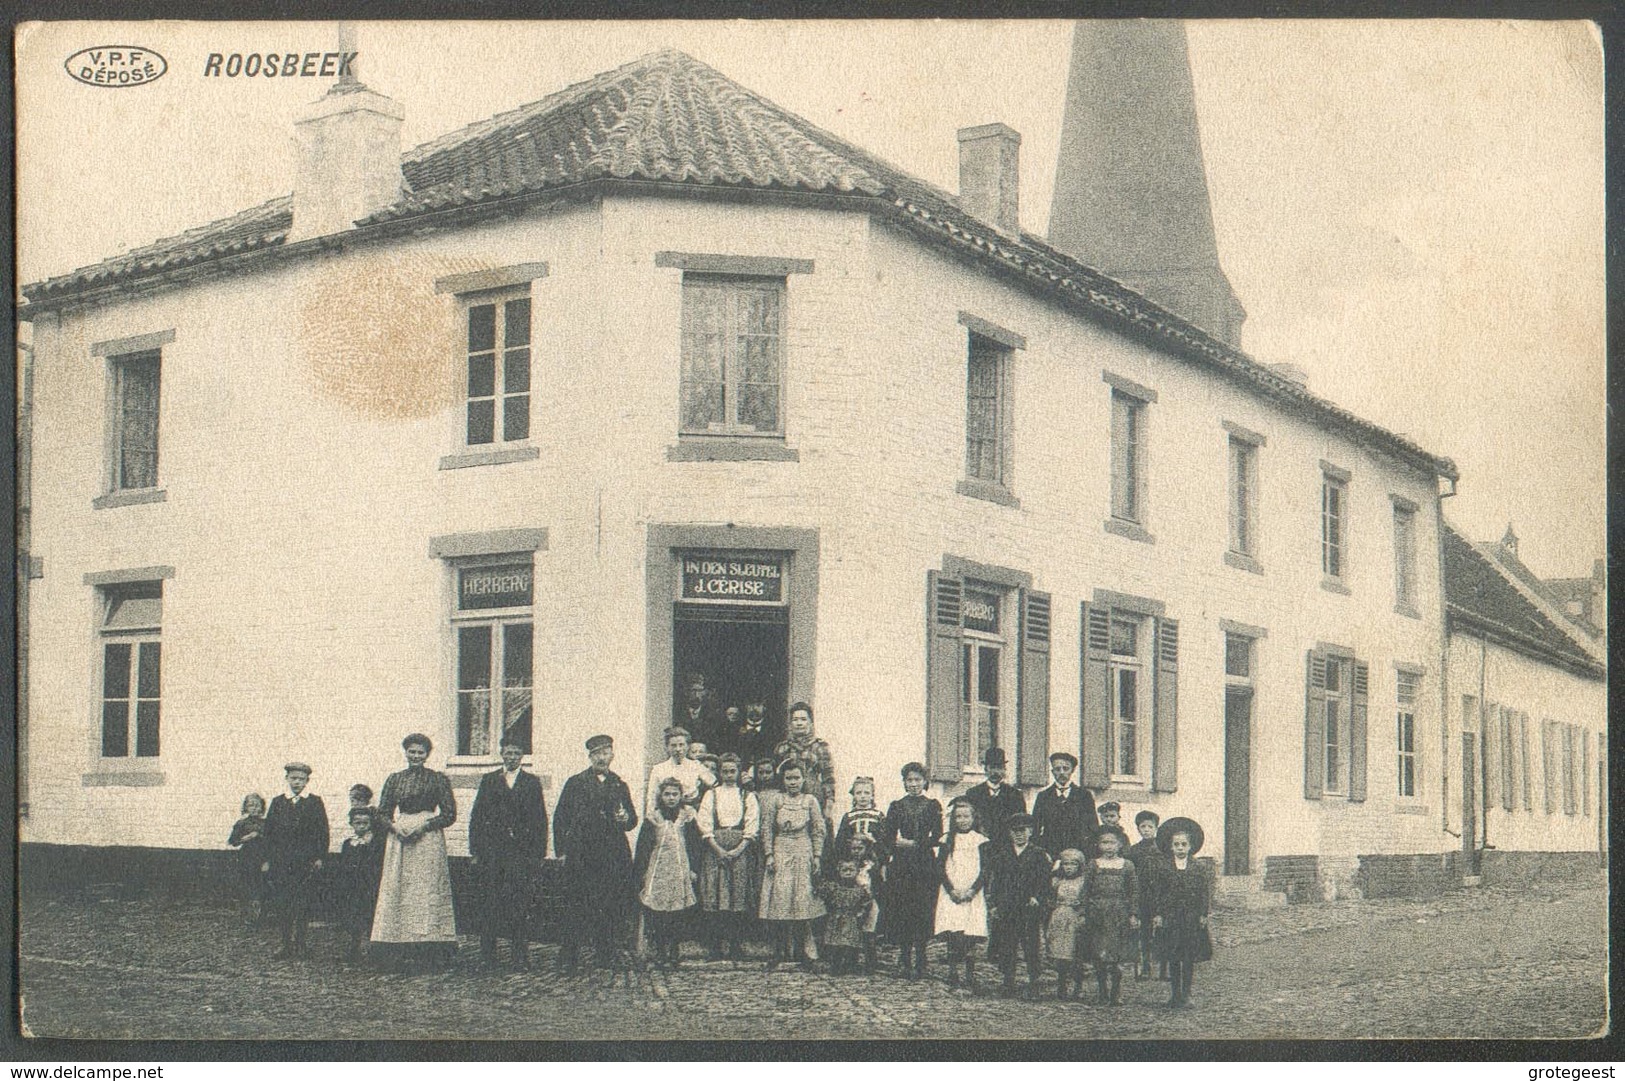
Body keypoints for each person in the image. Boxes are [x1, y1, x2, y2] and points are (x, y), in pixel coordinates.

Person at [372, 734, 459, 971]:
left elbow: (450, 814)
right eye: (412, 752)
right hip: (400, 837)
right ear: (405, 752)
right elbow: (382, 812)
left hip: (427, 839)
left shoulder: (437, 779)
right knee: (399, 888)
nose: (416, 756)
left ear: (427, 754)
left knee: (426, 889)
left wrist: (425, 826)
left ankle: (429, 946)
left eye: (421, 752)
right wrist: (394, 827)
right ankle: (397, 946)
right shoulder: (395, 780)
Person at [554, 734, 638, 975]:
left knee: (609, 904)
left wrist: (626, 819)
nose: (602, 758)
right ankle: (569, 955)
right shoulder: (575, 783)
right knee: (577, 904)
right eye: (597, 754)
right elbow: (561, 819)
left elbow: (632, 819)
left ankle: (606, 953)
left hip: (612, 854)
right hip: (582, 854)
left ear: (612, 756)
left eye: (606, 753)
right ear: (590, 757)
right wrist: (562, 851)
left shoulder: (619, 784)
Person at [468, 738, 549, 969]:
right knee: (490, 904)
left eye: (516, 752)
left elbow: (540, 820)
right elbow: (477, 817)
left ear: (522, 756)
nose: (512, 757)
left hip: (521, 855)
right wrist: (475, 851)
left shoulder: (531, 783)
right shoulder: (490, 780)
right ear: (502, 754)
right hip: (493, 853)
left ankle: (520, 956)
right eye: (508, 752)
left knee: (519, 905)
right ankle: (487, 956)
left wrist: (538, 854)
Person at [758, 761, 825, 969]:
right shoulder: (777, 800)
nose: (793, 782)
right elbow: (767, 828)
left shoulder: (810, 801)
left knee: (801, 900)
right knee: (780, 898)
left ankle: (803, 951)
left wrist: (816, 856)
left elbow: (818, 830)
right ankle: (779, 951)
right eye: (789, 778)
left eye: (796, 778)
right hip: (781, 850)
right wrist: (769, 854)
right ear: (783, 780)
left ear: (803, 779)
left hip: (803, 850)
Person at [695, 753, 761, 964]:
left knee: (738, 895)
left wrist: (740, 848)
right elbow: (704, 822)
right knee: (714, 895)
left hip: (740, 846)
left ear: (738, 772)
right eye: (725, 771)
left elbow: (752, 823)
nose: (729, 775)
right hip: (715, 846)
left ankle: (735, 945)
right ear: (719, 772)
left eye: (733, 771)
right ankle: (715, 946)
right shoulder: (711, 795)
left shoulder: (746, 795)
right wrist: (717, 849)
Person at [633, 777, 703, 970]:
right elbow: (643, 847)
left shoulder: (686, 817)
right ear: (660, 796)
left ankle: (674, 949)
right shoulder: (653, 818)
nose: (671, 798)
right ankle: (659, 949)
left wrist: (694, 869)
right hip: (658, 870)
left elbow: (695, 845)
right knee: (658, 912)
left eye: (675, 794)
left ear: (680, 796)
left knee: (677, 912)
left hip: (680, 869)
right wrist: (641, 872)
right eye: (667, 794)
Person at [263, 762, 330, 960]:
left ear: (307, 781)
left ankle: (301, 943)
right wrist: (267, 860)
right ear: (287, 779)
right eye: (293, 778)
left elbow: (323, 832)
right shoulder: (278, 803)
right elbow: (269, 833)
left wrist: (319, 857)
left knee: (302, 903)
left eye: (301, 779)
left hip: (305, 863)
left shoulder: (314, 802)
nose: (297, 782)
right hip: (282, 862)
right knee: (283, 903)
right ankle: (285, 944)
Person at [882, 761, 942, 980]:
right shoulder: (896, 806)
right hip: (902, 865)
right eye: (909, 780)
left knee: (922, 910)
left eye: (917, 780)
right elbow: (887, 835)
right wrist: (897, 843)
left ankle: (922, 958)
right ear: (904, 783)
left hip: (924, 864)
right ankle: (905, 958)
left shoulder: (933, 805)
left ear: (925, 781)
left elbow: (937, 835)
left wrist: (917, 844)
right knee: (904, 910)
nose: (914, 784)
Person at [985, 811, 1050, 999]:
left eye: (1023, 830)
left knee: (1031, 944)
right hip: (1008, 906)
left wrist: (1037, 897)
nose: (1019, 834)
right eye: (1015, 831)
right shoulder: (1002, 855)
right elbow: (996, 882)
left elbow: (1044, 880)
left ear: (1031, 832)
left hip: (1029, 907)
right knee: (1008, 944)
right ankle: (1008, 981)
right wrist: (995, 904)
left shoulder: (1038, 855)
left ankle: (1034, 982)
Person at [1152, 816, 1213, 1008]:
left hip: (1190, 918)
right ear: (1170, 847)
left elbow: (1204, 892)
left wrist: (1203, 914)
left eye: (1183, 844)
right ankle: (1174, 994)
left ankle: (1186, 994)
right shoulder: (1162, 867)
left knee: (1188, 958)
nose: (1180, 848)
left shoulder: (1198, 867)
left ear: (1190, 846)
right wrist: (1158, 914)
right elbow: (1157, 892)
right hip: (1170, 918)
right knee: (1173, 957)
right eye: (1176, 844)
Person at [934, 797, 989, 992]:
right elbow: (940, 868)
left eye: (966, 816)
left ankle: (969, 974)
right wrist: (951, 890)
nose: (962, 820)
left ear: (974, 818)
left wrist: (973, 890)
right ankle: (953, 972)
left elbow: (985, 870)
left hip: (972, 893)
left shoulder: (981, 840)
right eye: (958, 816)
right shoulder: (947, 839)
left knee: (969, 934)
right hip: (952, 892)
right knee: (954, 933)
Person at [1082, 823, 1139, 1006]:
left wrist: (1133, 914)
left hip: (1119, 914)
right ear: (1099, 845)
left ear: (1120, 844)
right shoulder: (1093, 864)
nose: (1108, 846)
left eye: (1112, 843)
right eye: (1104, 842)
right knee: (1099, 955)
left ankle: (1116, 992)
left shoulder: (1127, 865)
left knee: (1116, 957)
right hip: (1097, 913)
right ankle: (1102, 991)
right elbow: (1085, 890)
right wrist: (1085, 912)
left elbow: (1134, 892)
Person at [330, 806, 386, 963]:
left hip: (369, 886)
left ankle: (371, 949)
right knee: (353, 917)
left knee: (369, 916)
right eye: (357, 823)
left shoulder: (376, 843)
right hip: (352, 887)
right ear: (351, 824)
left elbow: (377, 865)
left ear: (371, 824)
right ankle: (354, 948)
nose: (361, 826)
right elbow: (343, 865)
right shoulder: (348, 843)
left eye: (365, 823)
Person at [773, 702, 836, 821]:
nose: (799, 723)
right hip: (788, 800)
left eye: (803, 719)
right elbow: (776, 777)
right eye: (795, 719)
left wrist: (829, 802)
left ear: (810, 723)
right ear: (790, 724)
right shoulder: (782, 748)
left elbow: (828, 777)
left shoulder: (820, 747)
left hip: (813, 795)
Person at [1126, 809, 1170, 980]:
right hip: (1142, 896)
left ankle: (1164, 969)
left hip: (1160, 895)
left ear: (1156, 828)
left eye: (1149, 826)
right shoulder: (1133, 851)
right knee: (1143, 933)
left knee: (1163, 932)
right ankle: (1145, 967)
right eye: (1142, 826)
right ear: (1138, 828)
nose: (1146, 830)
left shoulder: (1163, 849)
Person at [1031, 752, 1097, 862]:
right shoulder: (1043, 796)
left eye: (1065, 768)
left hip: (1077, 853)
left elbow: (1092, 828)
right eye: (1057, 769)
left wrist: (1084, 852)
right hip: (1050, 853)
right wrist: (1042, 852)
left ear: (1072, 770)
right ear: (1052, 772)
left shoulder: (1084, 796)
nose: (1061, 773)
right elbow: (1035, 828)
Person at [963, 747, 1026, 850]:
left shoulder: (1015, 795)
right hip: (981, 846)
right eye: (992, 767)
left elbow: (1020, 823)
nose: (995, 772)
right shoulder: (973, 794)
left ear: (1005, 770)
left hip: (1007, 848)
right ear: (985, 769)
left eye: (1000, 768)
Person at [1045, 848, 1088, 999]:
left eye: (1073, 864)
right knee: (1060, 954)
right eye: (1066, 864)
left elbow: (1087, 900)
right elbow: (1049, 899)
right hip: (1059, 917)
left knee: (1076, 953)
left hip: (1075, 918)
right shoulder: (1057, 881)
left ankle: (1078, 986)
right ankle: (1061, 985)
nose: (1069, 867)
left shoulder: (1084, 881)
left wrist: (1081, 910)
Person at [817, 858, 872, 975]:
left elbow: (867, 902)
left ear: (857, 871)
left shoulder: (860, 890)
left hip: (852, 918)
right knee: (836, 944)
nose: (848, 873)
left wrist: (861, 912)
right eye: (844, 870)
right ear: (839, 871)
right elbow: (824, 896)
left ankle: (852, 964)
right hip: (836, 918)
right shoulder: (834, 888)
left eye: (851, 870)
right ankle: (836, 965)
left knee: (852, 943)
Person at [645, 726, 711, 817]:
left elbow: (715, 786)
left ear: (688, 746)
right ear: (667, 747)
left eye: (681, 745)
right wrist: (651, 816)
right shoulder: (658, 769)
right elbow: (652, 796)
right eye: (673, 745)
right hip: (666, 814)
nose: (678, 749)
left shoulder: (696, 766)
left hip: (690, 814)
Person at [845, 834, 885, 972]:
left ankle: (871, 962)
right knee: (853, 931)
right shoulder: (847, 865)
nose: (856, 851)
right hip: (852, 901)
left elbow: (878, 883)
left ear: (866, 849)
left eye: (860, 848)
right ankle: (851, 961)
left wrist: (871, 895)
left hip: (869, 901)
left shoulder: (871, 866)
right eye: (853, 848)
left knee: (869, 931)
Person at [227, 793, 268, 924]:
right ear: (245, 807)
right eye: (251, 805)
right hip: (247, 858)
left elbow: (272, 843)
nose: (254, 808)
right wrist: (248, 837)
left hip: (262, 858)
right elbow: (233, 841)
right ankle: (247, 915)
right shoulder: (241, 823)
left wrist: (267, 861)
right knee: (247, 885)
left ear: (262, 807)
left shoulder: (267, 824)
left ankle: (261, 915)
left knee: (261, 885)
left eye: (257, 805)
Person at [833, 776, 887, 857]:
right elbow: (841, 840)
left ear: (872, 795)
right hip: (852, 856)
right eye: (859, 793)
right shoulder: (848, 816)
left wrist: (873, 839)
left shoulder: (878, 815)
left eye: (866, 793)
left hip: (874, 856)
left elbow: (885, 839)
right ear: (854, 795)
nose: (863, 796)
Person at [730, 696, 779, 766]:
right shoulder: (735, 729)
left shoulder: (773, 731)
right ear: (746, 707)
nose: (754, 708)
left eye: (758, 705)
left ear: (764, 707)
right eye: (751, 705)